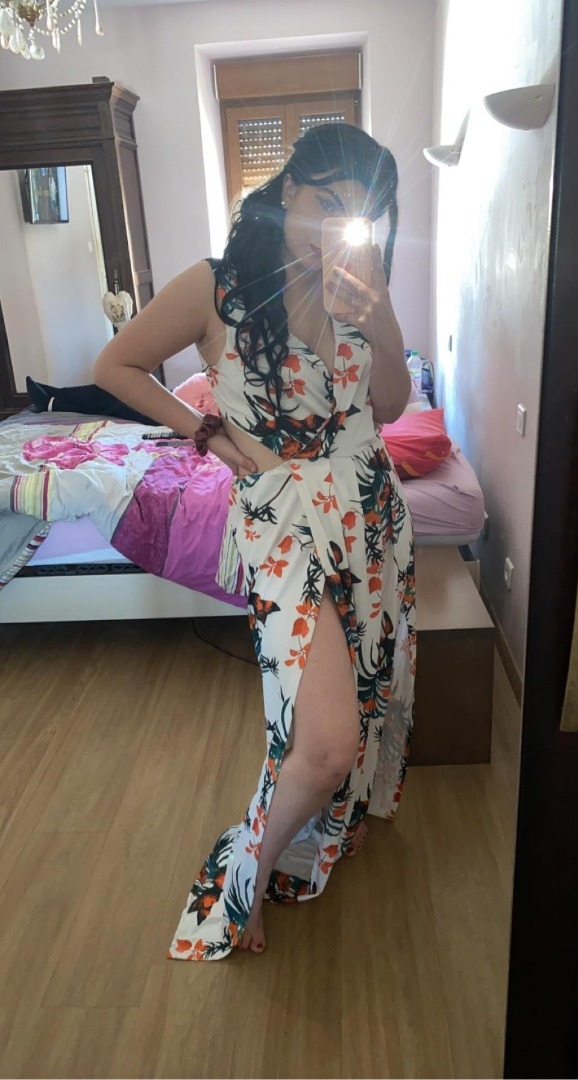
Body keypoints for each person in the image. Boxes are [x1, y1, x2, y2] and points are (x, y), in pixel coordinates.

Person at [93, 122, 416, 961]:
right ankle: (249, 875)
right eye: (323, 203)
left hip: (370, 514)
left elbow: (389, 406)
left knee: (365, 695)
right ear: (285, 190)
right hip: (280, 517)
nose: (333, 226)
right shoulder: (217, 285)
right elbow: (115, 366)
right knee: (326, 740)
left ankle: (328, 828)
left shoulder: (363, 283)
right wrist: (203, 431)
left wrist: (381, 315)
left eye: (356, 213)